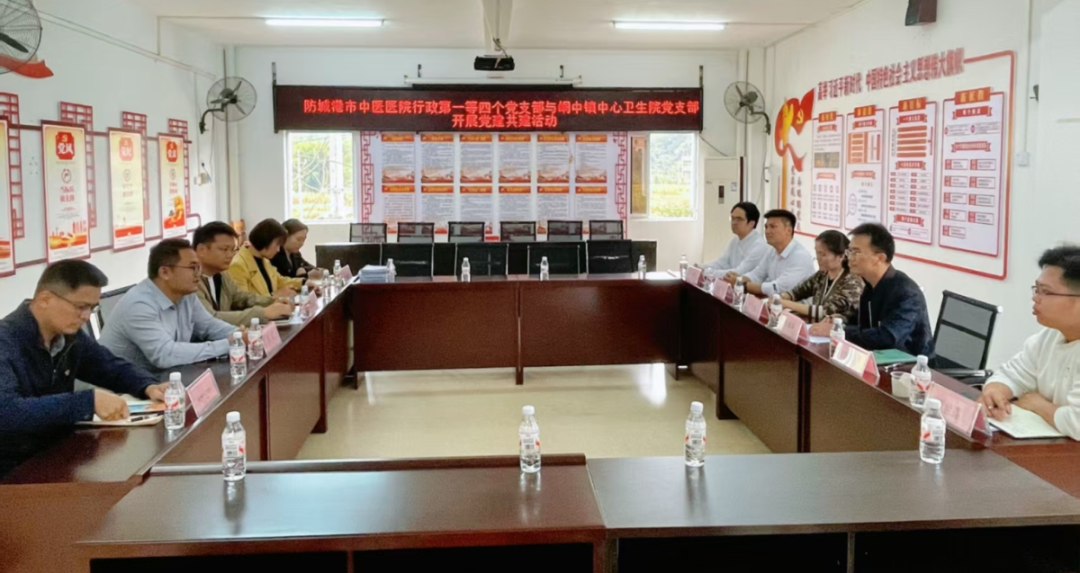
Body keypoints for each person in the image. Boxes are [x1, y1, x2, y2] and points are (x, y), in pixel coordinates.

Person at [0, 261, 168, 476]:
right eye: (80, 307)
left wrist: (148, 386)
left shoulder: (68, 335)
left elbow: (107, 366)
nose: (86, 316)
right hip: (13, 469)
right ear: (45, 299)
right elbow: (6, 412)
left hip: (58, 455)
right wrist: (87, 402)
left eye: (92, 308)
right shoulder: (6, 342)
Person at [978, 246, 1080, 440]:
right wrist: (995, 390)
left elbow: (1077, 423)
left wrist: (1037, 404)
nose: (1035, 298)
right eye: (1036, 289)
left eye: (1046, 292)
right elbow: (1012, 374)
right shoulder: (1049, 337)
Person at [100, 238, 239, 371]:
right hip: (122, 384)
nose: (199, 274)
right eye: (193, 268)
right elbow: (165, 355)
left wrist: (240, 335)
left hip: (161, 378)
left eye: (199, 267)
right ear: (165, 272)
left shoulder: (186, 295)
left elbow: (208, 326)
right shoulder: (139, 305)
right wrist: (229, 344)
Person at [809, 223, 933, 356]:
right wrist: (841, 320)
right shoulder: (870, 285)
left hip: (908, 364)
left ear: (879, 258)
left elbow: (887, 337)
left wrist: (839, 331)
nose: (849, 258)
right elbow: (863, 324)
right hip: (877, 357)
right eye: (849, 251)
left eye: (856, 252)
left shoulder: (906, 293)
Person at [194, 221, 293, 326]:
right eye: (224, 249)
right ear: (201, 250)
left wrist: (273, 301)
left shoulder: (221, 275)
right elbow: (210, 319)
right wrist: (263, 313)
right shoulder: (191, 281)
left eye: (233, 249)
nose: (230, 255)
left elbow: (241, 298)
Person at [725, 209, 815, 297]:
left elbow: (777, 288)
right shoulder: (772, 251)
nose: (767, 231)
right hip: (775, 302)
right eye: (766, 227)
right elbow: (757, 274)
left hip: (796, 305)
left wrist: (741, 284)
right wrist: (739, 279)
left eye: (773, 227)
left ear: (788, 230)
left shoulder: (800, 257)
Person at [779, 230, 863, 323]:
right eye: (817, 253)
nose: (818, 258)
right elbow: (797, 292)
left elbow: (826, 311)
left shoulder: (852, 282)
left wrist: (787, 304)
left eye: (823, 254)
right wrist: (781, 297)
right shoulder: (822, 275)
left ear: (841, 256)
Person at [228, 219, 306, 298]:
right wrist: (275, 295)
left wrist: (303, 282)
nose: (278, 250)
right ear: (265, 240)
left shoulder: (265, 260)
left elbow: (278, 280)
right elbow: (242, 300)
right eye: (277, 245)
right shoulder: (237, 265)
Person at [702, 202, 769, 276]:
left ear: (751, 223)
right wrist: (700, 267)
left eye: (739, 219)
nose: (734, 222)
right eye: (733, 218)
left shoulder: (759, 247)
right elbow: (722, 263)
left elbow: (739, 272)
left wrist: (707, 273)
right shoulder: (736, 240)